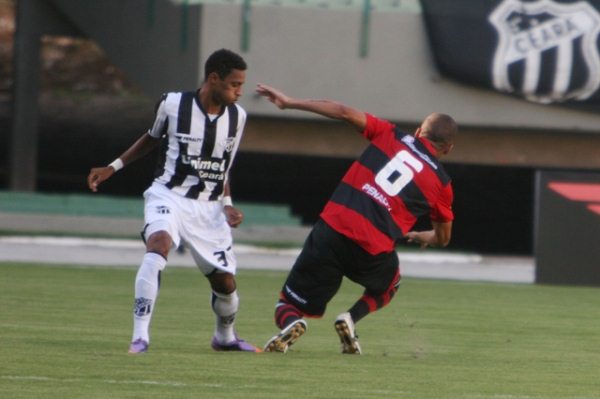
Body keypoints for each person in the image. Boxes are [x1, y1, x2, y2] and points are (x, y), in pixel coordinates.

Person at [255, 83, 457, 354]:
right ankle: (350, 318)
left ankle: (294, 321)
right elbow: (443, 238)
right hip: (371, 249)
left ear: (419, 131)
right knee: (390, 283)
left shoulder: (391, 134)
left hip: (333, 229)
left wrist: (290, 102)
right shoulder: (442, 184)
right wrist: (422, 235)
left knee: (288, 303)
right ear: (448, 149)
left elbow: (342, 111)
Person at [87, 49, 260, 354]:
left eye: (241, 85)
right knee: (159, 244)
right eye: (235, 84)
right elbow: (151, 138)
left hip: (209, 210)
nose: (240, 91)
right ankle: (140, 337)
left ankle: (225, 337)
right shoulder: (172, 104)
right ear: (214, 78)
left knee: (226, 286)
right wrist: (112, 167)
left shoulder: (238, 117)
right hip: (168, 195)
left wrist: (228, 203)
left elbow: (223, 166)